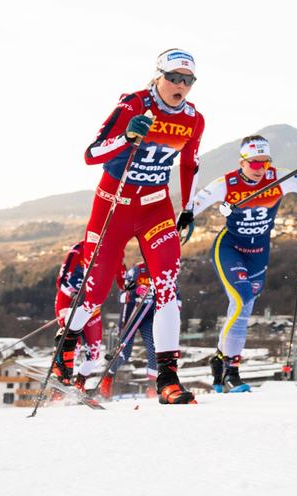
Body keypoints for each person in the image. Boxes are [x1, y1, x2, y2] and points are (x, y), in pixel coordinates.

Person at [54, 49, 204, 405]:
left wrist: (188, 209)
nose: (180, 86)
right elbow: (91, 154)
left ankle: (168, 379)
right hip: (114, 205)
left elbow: (190, 164)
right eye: (174, 78)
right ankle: (66, 349)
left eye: (188, 80)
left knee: (167, 287)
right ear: (157, 76)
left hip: (156, 208)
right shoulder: (134, 105)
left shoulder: (194, 119)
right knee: (95, 291)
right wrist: (127, 138)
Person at [183, 135, 297, 393]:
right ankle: (231, 370)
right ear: (242, 162)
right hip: (230, 248)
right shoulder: (226, 183)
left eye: (264, 163)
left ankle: (219, 358)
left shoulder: (279, 177)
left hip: (259, 252)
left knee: (243, 309)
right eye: (254, 163)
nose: (260, 169)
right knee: (240, 299)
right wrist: (185, 218)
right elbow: (194, 205)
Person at [100, 261, 156, 398]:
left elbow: (174, 294)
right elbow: (122, 296)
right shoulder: (136, 271)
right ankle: (108, 377)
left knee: (153, 349)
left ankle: (152, 388)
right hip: (132, 315)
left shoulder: (161, 269)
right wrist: (135, 292)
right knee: (124, 354)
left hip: (148, 316)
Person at [53, 242, 103, 392]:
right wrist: (73, 294)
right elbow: (61, 281)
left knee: (94, 352)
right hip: (69, 301)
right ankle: (62, 379)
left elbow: (121, 280)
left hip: (92, 307)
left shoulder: (111, 250)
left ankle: (80, 383)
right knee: (74, 343)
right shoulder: (78, 250)